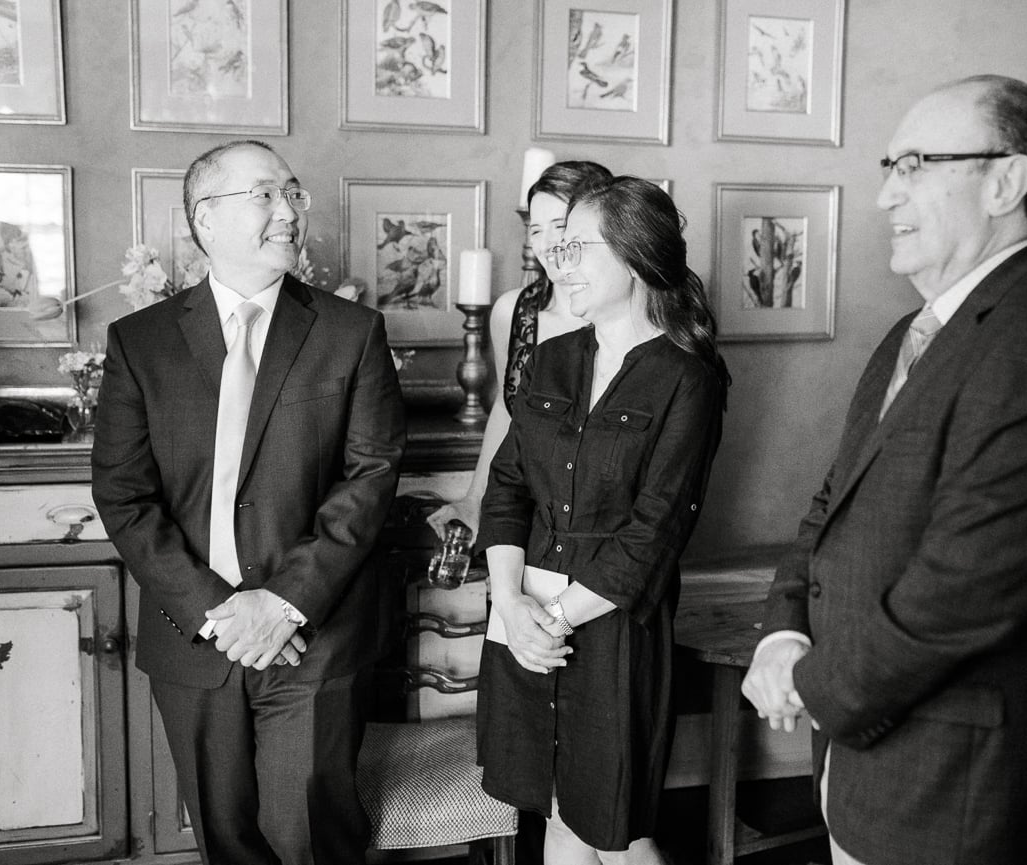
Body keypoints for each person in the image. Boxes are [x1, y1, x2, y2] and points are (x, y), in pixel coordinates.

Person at [741, 75, 1027, 865]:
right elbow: (830, 504)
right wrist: (783, 628)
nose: (887, 194)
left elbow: (961, 592)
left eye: (914, 164)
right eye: (890, 166)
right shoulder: (907, 335)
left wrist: (809, 687)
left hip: (958, 798)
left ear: (1005, 181)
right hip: (865, 773)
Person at [92, 140, 406, 865]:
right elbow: (124, 495)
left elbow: (371, 477)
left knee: (313, 844)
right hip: (197, 640)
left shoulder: (351, 333)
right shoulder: (140, 343)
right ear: (205, 219)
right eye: (264, 194)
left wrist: (282, 602)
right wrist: (219, 611)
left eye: (292, 194)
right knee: (227, 845)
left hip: (313, 638)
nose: (288, 211)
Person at [475, 176, 729, 864]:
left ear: (637, 257)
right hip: (523, 618)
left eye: (578, 247)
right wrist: (511, 604)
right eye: (556, 247)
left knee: (614, 827)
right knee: (558, 811)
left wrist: (550, 620)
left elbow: (654, 532)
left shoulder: (688, 380)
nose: (559, 263)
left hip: (611, 626)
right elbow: (505, 492)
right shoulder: (551, 359)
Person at [426, 160, 613, 539]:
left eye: (560, 227)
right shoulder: (513, 311)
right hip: (523, 518)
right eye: (535, 229)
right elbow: (506, 410)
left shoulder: (628, 316)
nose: (546, 244)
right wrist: (475, 499)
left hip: (603, 527)